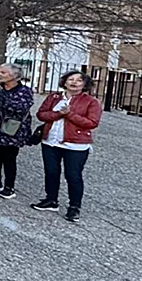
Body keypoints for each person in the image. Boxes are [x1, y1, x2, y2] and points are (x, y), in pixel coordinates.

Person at [33, 71, 103, 222]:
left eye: (79, 80)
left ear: (84, 84)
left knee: (73, 175)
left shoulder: (91, 102)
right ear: (64, 82)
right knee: (51, 172)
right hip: (51, 141)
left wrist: (70, 114)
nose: (74, 82)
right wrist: (58, 114)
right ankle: (51, 200)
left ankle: (74, 207)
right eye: (71, 79)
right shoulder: (54, 97)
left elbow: (92, 122)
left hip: (75, 144)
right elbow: (41, 114)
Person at [0, 63, 35, 198]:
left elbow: (22, 107)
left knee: (9, 158)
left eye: (3, 73)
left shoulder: (24, 91)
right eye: (0, 72)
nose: (0, 75)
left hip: (13, 130)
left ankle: (9, 187)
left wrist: (1, 102)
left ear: (14, 76)